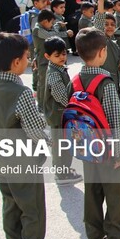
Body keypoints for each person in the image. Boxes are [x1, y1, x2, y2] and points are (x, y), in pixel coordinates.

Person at [0, 33, 48, 239]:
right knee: (32, 209)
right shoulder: (21, 93)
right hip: (24, 163)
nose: (29, 61)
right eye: (27, 56)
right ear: (16, 62)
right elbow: (36, 130)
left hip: (2, 161)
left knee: (10, 206)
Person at [72, 28, 120, 239]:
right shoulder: (105, 83)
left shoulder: (76, 80)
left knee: (93, 190)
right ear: (102, 52)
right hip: (107, 149)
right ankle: (116, 236)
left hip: (86, 146)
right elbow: (115, 120)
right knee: (114, 193)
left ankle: (94, 235)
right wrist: (119, 152)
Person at [42, 36, 83, 185]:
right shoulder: (54, 73)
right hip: (59, 115)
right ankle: (61, 174)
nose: (62, 58)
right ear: (47, 56)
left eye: (64, 54)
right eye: (57, 55)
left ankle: (63, 170)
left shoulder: (58, 68)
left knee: (64, 144)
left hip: (60, 115)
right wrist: (74, 108)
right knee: (62, 146)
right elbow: (60, 96)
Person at [32, 9, 73, 108]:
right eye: (51, 23)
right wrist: (65, 33)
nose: (52, 25)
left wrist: (57, 25)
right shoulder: (37, 29)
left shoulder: (44, 27)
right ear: (45, 22)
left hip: (49, 59)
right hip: (42, 61)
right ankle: (42, 106)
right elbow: (52, 35)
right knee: (42, 84)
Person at [94, 0, 120, 96]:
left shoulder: (114, 45)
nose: (109, 27)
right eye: (106, 24)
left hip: (114, 85)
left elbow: (118, 68)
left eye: (112, 25)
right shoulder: (100, 40)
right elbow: (99, 20)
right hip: (102, 84)